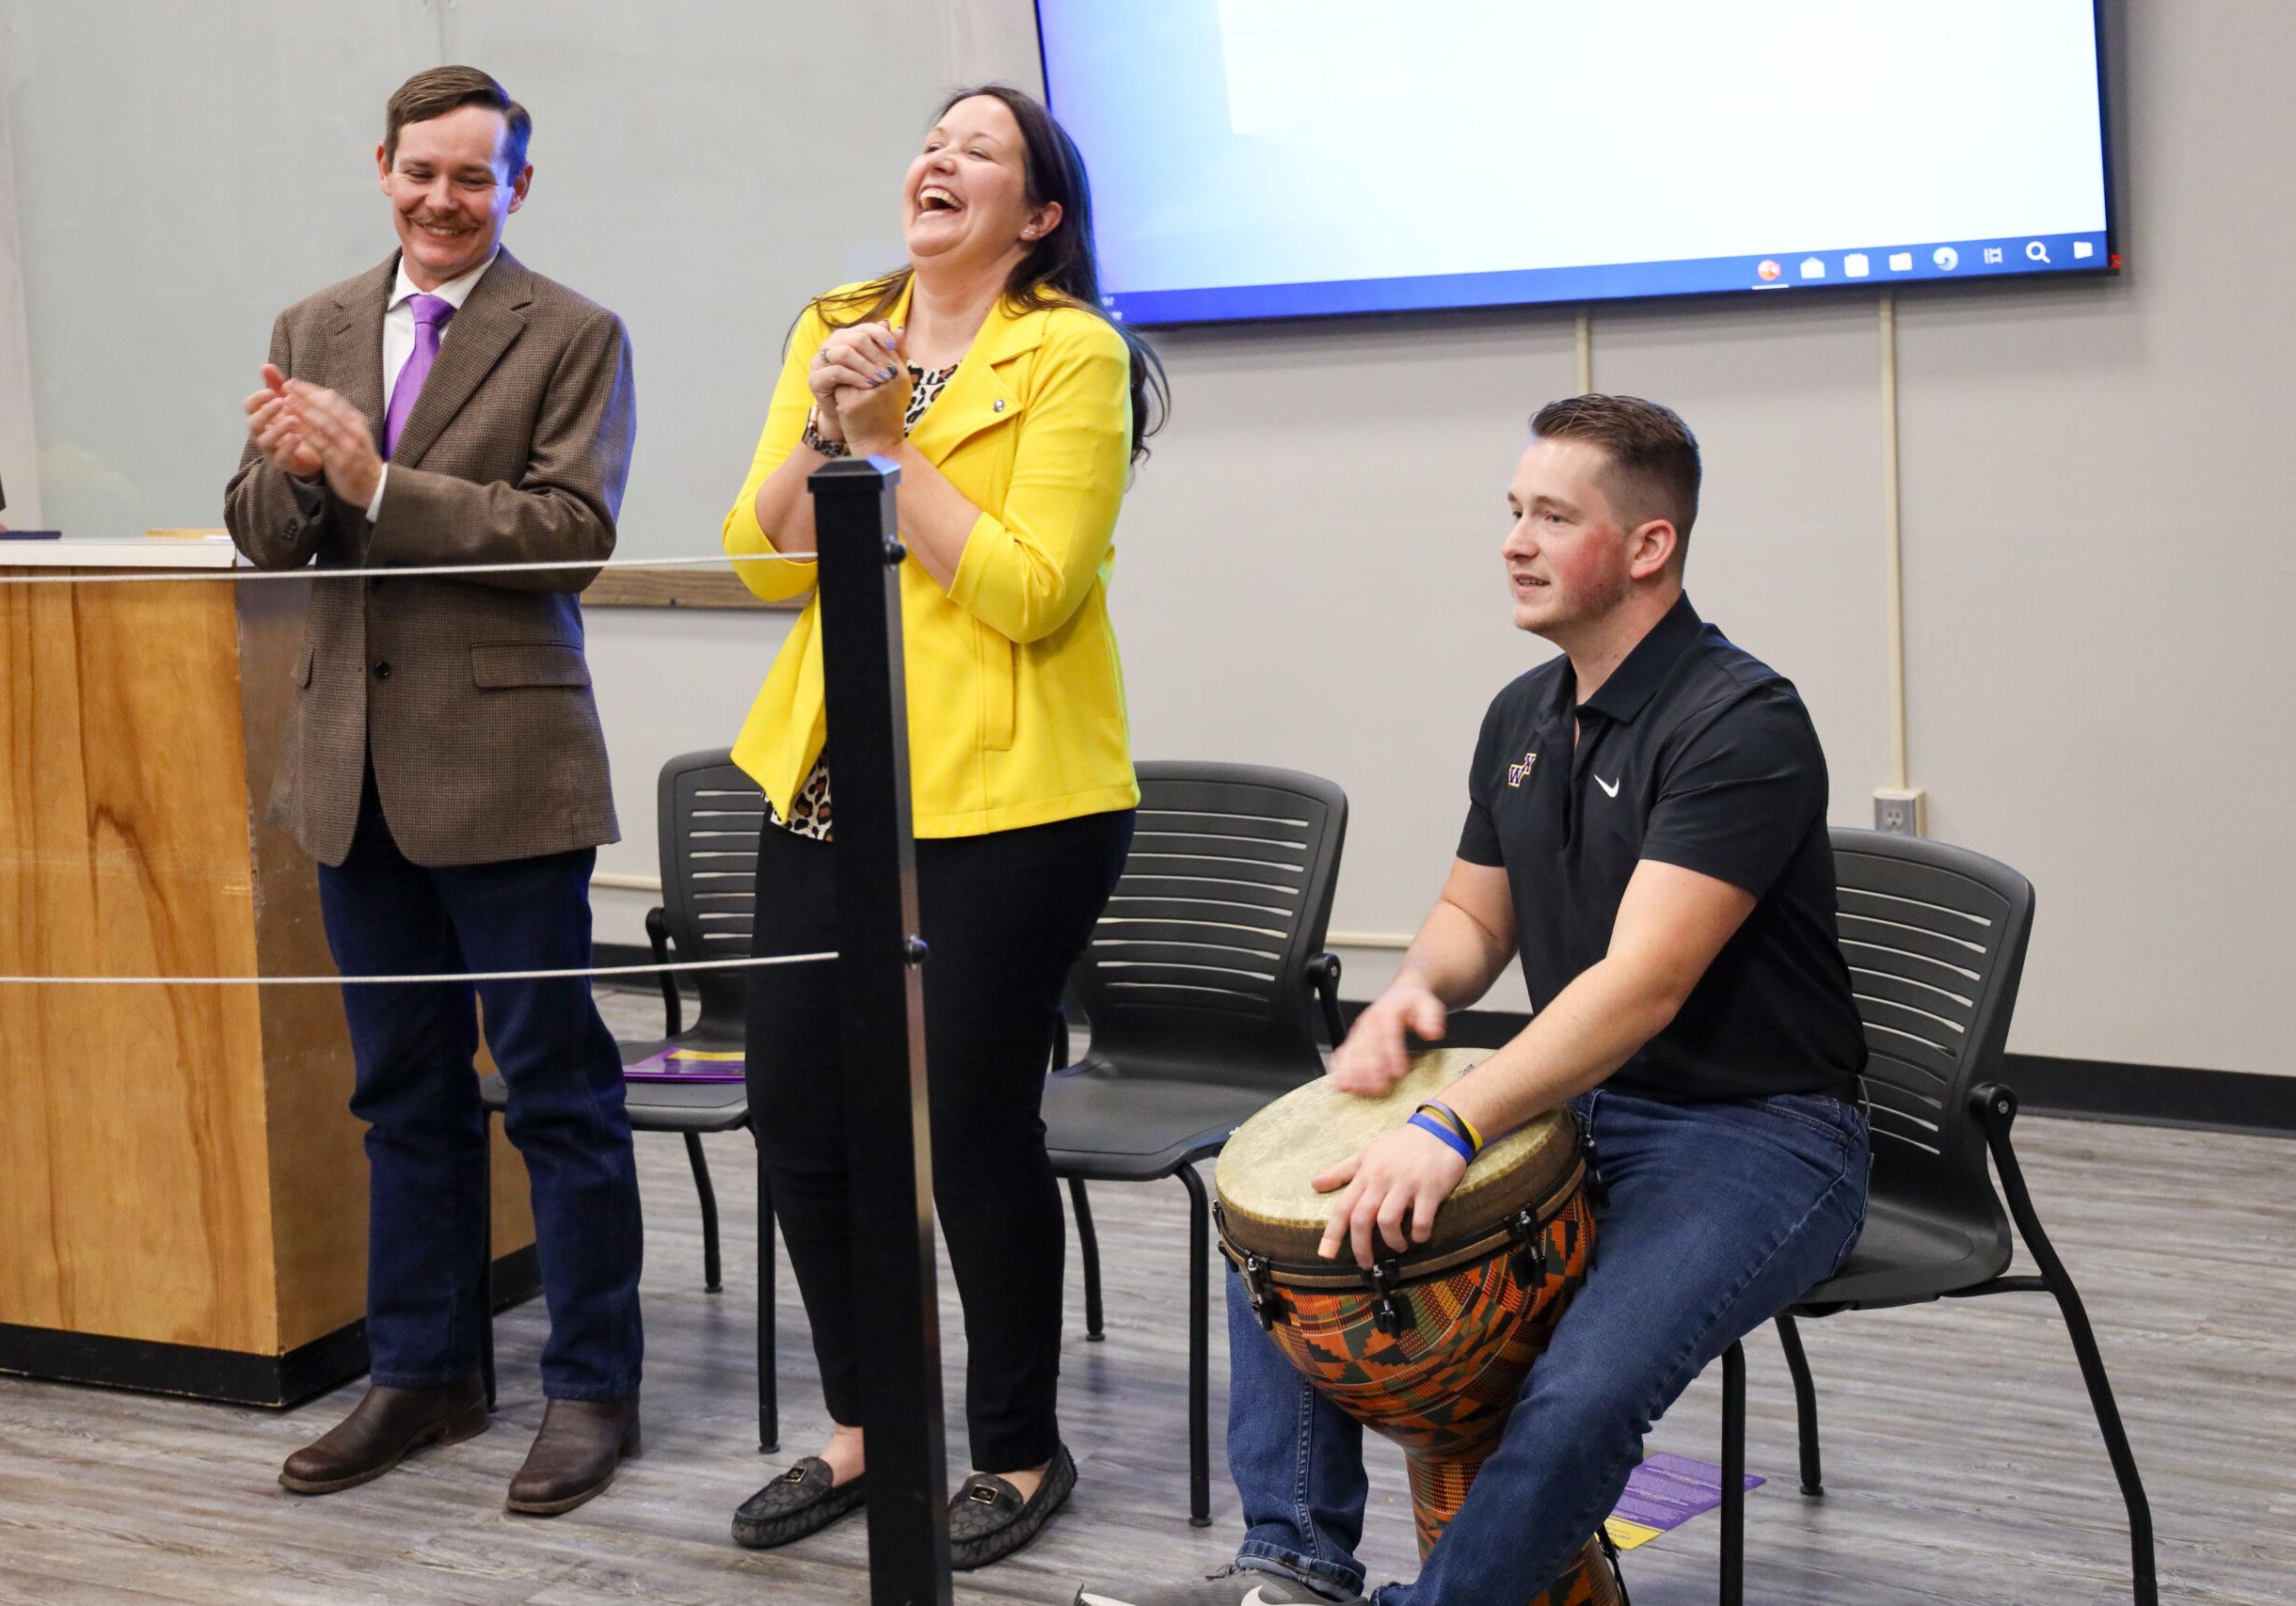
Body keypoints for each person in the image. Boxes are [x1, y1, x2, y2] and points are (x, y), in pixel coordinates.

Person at [1076, 395, 1872, 1606]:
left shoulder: (1738, 723)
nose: (1514, 540)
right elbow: (1473, 920)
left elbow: (1641, 984)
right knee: (1297, 1235)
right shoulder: (1524, 712)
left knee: (1583, 1393)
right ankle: (1290, 1569)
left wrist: (1451, 1122)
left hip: (1759, 1131)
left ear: (1649, 547)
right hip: (1586, 1107)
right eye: (1514, 511)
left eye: (1554, 516)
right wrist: (1412, 999)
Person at [720, 83, 1167, 1570]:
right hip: (836, 778)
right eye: (933, 141)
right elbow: (763, 559)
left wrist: (889, 448)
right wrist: (822, 425)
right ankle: (867, 1425)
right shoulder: (838, 319)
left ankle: (1016, 1447)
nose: (939, 160)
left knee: (967, 1125)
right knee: (796, 1108)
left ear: (1036, 215)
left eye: (980, 151)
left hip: (1013, 797)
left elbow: (1033, 589)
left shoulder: (1072, 352)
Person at [223, 64, 642, 1518]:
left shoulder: (573, 331)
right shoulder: (314, 323)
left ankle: (590, 1386)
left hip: (507, 772)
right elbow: (267, 533)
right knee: (403, 1092)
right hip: (349, 771)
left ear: (518, 186)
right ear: (382, 168)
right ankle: (426, 1369)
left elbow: (570, 531)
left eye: (475, 177)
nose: (443, 199)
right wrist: (296, 476)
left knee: (559, 1094)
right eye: (421, 173)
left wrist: (377, 475)